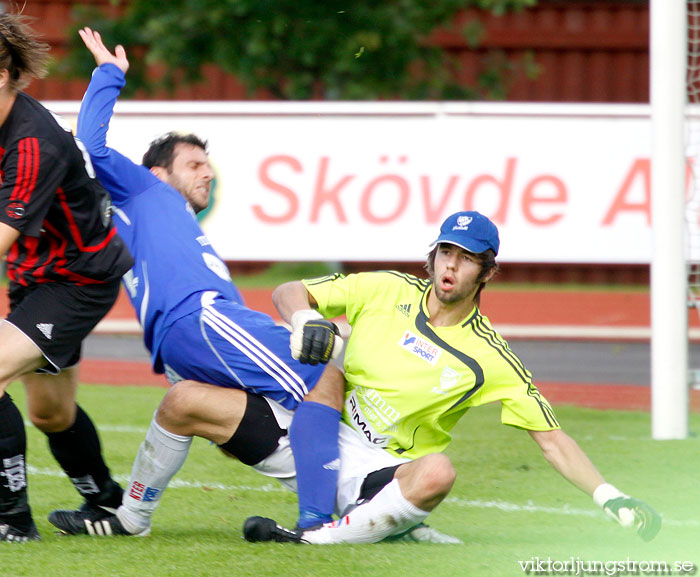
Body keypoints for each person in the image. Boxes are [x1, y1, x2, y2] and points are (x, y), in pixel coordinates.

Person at [47, 27, 345, 537]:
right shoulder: (145, 191)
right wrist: (109, 75)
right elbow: (90, 145)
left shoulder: (173, 222)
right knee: (324, 365)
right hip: (199, 320)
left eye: (208, 165)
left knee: (191, 409)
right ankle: (320, 523)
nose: (207, 174)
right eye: (194, 164)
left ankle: (131, 518)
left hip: (186, 338)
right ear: (159, 174)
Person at [239, 209, 662, 544]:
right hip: (317, 438)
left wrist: (610, 496)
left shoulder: (489, 356)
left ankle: (319, 539)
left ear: (487, 272)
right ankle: (378, 528)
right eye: (446, 252)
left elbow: (552, 440)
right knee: (192, 401)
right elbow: (288, 291)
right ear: (433, 255)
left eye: (466, 258)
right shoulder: (385, 288)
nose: (451, 265)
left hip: (383, 474)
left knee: (438, 471)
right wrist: (305, 317)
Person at [0, 14, 133, 543]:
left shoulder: (33, 143)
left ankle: (12, 520)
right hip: (37, 280)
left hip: (79, 280)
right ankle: (106, 501)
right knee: (51, 413)